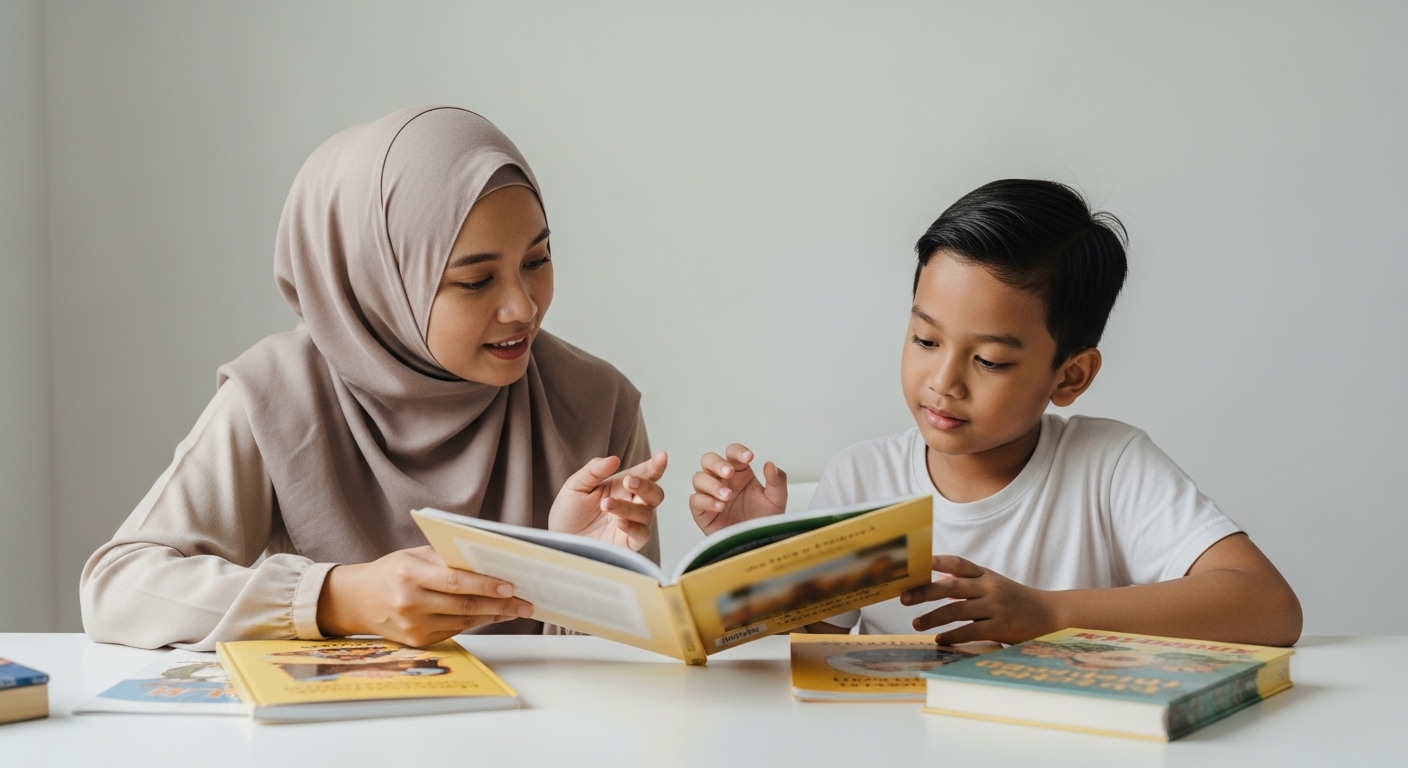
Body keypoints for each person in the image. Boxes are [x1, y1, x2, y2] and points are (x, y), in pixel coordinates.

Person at [81, 106, 667, 650]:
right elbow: (117, 589)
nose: (523, 307)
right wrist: (339, 598)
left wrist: (581, 577)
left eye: (537, 261)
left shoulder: (597, 404)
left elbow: (635, 686)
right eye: (475, 281)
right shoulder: (279, 395)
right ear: (381, 277)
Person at [688, 180, 1302, 647]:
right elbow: (811, 649)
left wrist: (1049, 613)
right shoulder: (864, 479)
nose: (944, 381)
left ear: (1070, 376)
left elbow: (1269, 607)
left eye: (989, 360)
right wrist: (754, 556)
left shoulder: (1109, 467)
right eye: (926, 340)